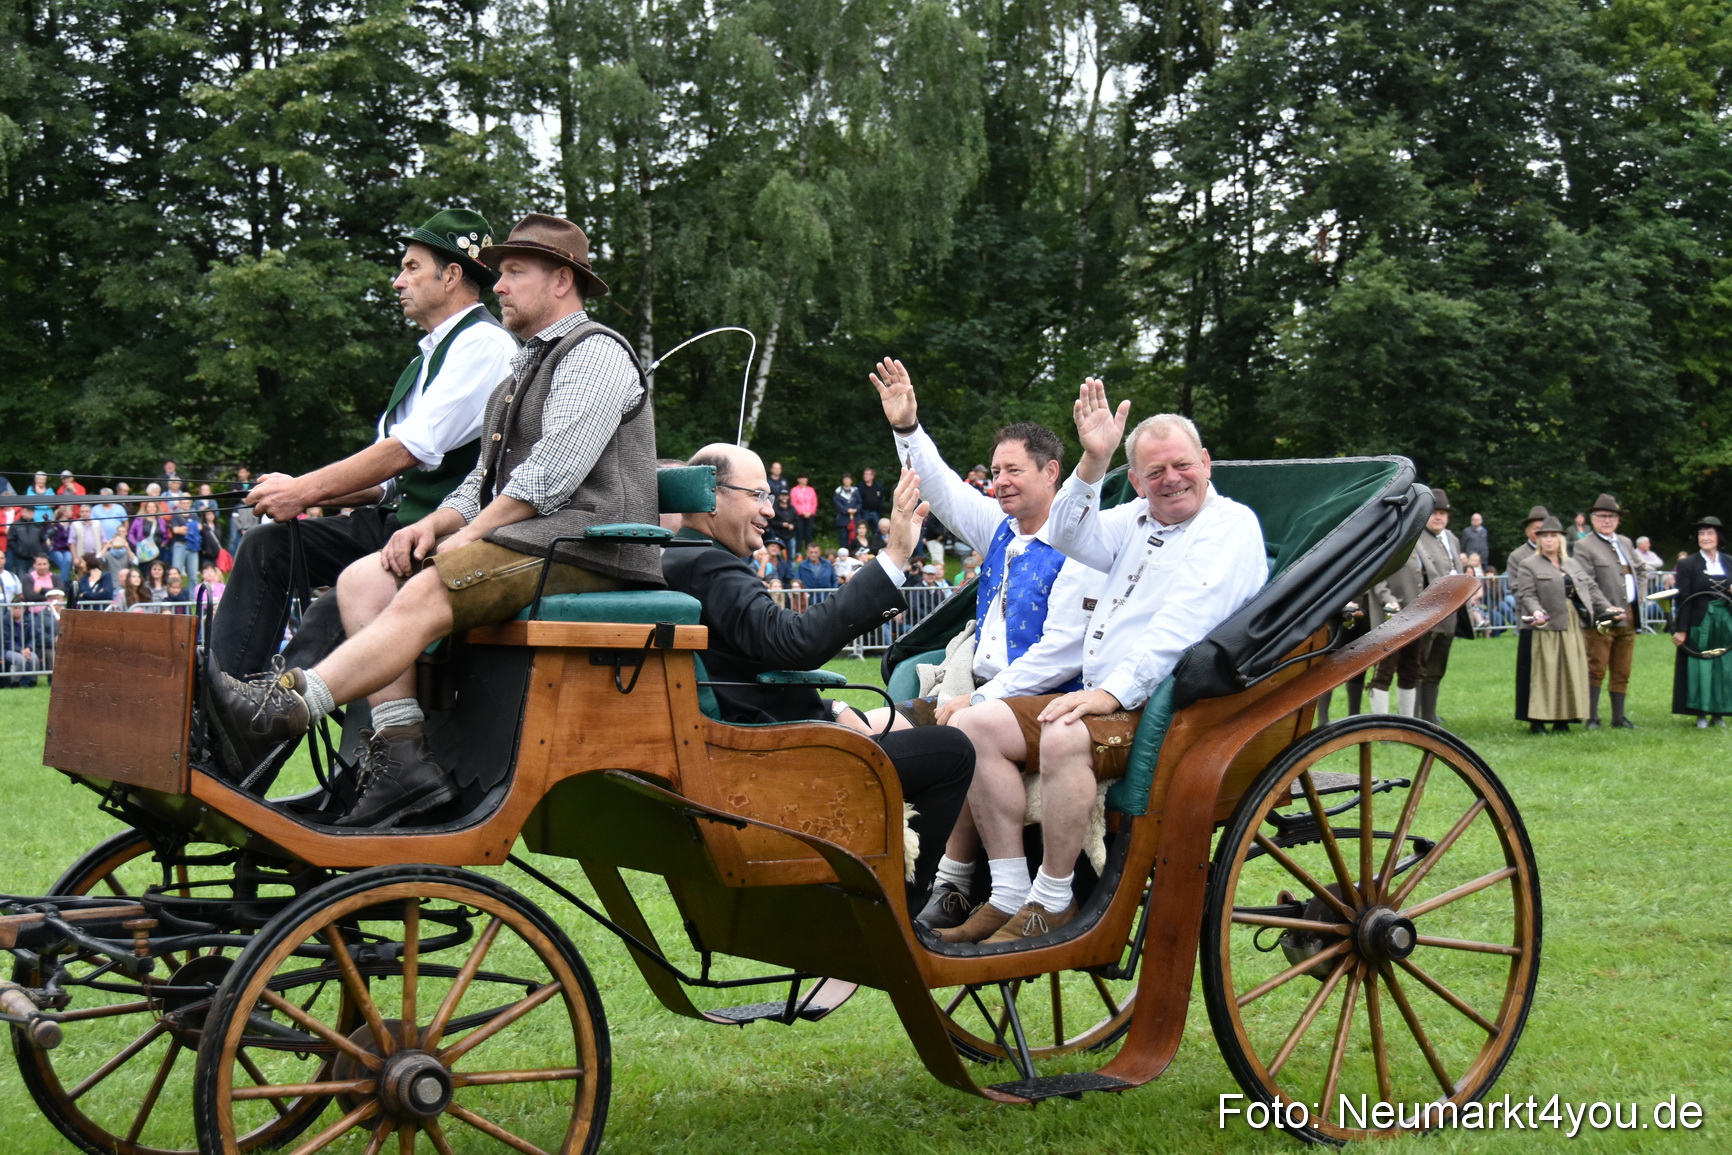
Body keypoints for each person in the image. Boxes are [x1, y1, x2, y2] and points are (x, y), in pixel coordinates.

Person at [206, 212, 661, 829]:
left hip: (587, 549)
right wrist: (439, 522)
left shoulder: (597, 353)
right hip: (537, 540)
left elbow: (549, 476)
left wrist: (467, 535)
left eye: (513, 273)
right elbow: (485, 476)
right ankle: (401, 759)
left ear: (562, 281)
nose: (497, 286)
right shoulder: (526, 364)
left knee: (425, 586)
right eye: (499, 274)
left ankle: (285, 707)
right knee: (363, 579)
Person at [936, 384, 1266, 944]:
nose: (1171, 479)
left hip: (1176, 707)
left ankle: (1053, 899)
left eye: (1182, 464)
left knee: (1064, 733)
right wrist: (1093, 460)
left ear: (1206, 463)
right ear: (1135, 481)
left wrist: (1110, 692)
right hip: (1102, 698)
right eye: (1154, 471)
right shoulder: (1134, 518)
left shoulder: (1229, 528)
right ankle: (1011, 892)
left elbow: (1181, 627)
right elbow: (1062, 533)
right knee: (975, 725)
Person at [210, 208, 521, 680]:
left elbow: (404, 452)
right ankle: (221, 694)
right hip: (397, 523)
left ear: (452, 275)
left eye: (411, 267)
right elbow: (390, 484)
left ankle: (254, 723)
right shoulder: (429, 358)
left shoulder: (484, 346)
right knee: (265, 546)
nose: (398, 281)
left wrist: (305, 492)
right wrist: (294, 487)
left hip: (444, 537)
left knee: (327, 615)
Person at [660, 444, 974, 901]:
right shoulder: (708, 566)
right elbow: (795, 642)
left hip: (750, 737)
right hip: (768, 759)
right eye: (758, 495)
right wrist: (893, 558)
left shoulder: (675, 559)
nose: (770, 510)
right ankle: (899, 910)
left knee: (912, 718)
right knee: (953, 751)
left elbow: (740, 675)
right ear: (712, 496)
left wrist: (832, 707)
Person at [871, 358, 1111, 931]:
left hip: (1044, 696)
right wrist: (907, 429)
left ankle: (973, 887)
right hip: (980, 689)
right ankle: (897, 873)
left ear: (1052, 472)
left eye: (1012, 471)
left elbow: (1061, 652)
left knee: (962, 730)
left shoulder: (1085, 542)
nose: (998, 482)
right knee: (873, 728)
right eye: (996, 472)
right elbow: (945, 490)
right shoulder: (1001, 526)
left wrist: (979, 702)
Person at [1515, 517, 1613, 733]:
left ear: (1560, 539)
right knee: (1545, 673)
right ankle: (1538, 720)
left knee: (1569, 671)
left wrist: (1609, 607)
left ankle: (1563, 719)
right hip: (1544, 626)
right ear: (1539, 540)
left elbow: (1591, 588)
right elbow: (1527, 594)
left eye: (1553, 536)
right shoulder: (1528, 564)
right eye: (1544, 536)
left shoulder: (1572, 564)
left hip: (1570, 622)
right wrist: (1537, 611)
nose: (1549, 540)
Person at [1571, 493, 1643, 728]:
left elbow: (1641, 570)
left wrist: (1638, 599)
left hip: (1630, 615)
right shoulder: (1584, 545)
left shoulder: (1625, 542)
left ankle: (1618, 717)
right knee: (1596, 667)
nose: (1607, 520)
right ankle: (1592, 716)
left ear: (1618, 519)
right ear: (1592, 519)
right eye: (1602, 516)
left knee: (1623, 669)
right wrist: (1606, 607)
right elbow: (1585, 581)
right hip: (1601, 618)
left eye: (1612, 516)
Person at [1411, 488, 1474, 727]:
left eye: (1443, 513)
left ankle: (1429, 716)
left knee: (1437, 668)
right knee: (1420, 666)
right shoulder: (1416, 538)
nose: (1438, 517)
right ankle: (1415, 716)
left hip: (1450, 612)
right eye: (1434, 513)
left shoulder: (1451, 539)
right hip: (1426, 611)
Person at [1671, 516, 1732, 728]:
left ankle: (1719, 712)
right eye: (1701, 534)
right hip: (1700, 621)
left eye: (1709, 533)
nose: (1705, 538)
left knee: (1723, 666)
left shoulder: (1729, 562)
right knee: (1701, 665)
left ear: (1718, 537)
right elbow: (1683, 598)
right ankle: (1701, 713)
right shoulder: (1687, 564)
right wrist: (1681, 629)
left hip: (1725, 621)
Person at [1508, 505, 1550, 725]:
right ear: (1528, 531)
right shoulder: (1518, 556)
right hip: (1530, 621)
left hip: (1557, 621)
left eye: (1545, 530)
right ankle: (1534, 717)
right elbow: (1518, 589)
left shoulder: (1558, 554)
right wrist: (1537, 608)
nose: (1541, 534)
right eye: (1536, 529)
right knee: (1532, 670)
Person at [790, 474, 818, 550]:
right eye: (802, 478)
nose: (804, 480)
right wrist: (802, 512)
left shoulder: (811, 490)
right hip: (799, 515)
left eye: (805, 478)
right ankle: (799, 552)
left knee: (809, 534)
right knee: (799, 534)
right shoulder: (794, 490)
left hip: (810, 515)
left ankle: (809, 552)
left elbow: (814, 502)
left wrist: (810, 512)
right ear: (798, 480)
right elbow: (793, 503)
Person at [833, 473, 861, 545]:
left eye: (848, 479)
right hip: (843, 519)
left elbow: (860, 502)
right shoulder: (838, 491)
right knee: (843, 538)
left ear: (851, 481)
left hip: (855, 518)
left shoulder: (855, 490)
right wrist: (847, 510)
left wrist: (856, 509)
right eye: (845, 479)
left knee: (855, 537)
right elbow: (837, 504)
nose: (846, 481)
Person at [858, 466, 884, 535]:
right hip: (864, 512)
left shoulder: (878, 486)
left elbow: (881, 499)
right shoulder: (860, 486)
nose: (865, 476)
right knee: (863, 531)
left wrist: (880, 513)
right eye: (864, 474)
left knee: (877, 531)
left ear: (872, 476)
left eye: (867, 474)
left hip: (875, 512)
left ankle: (875, 544)